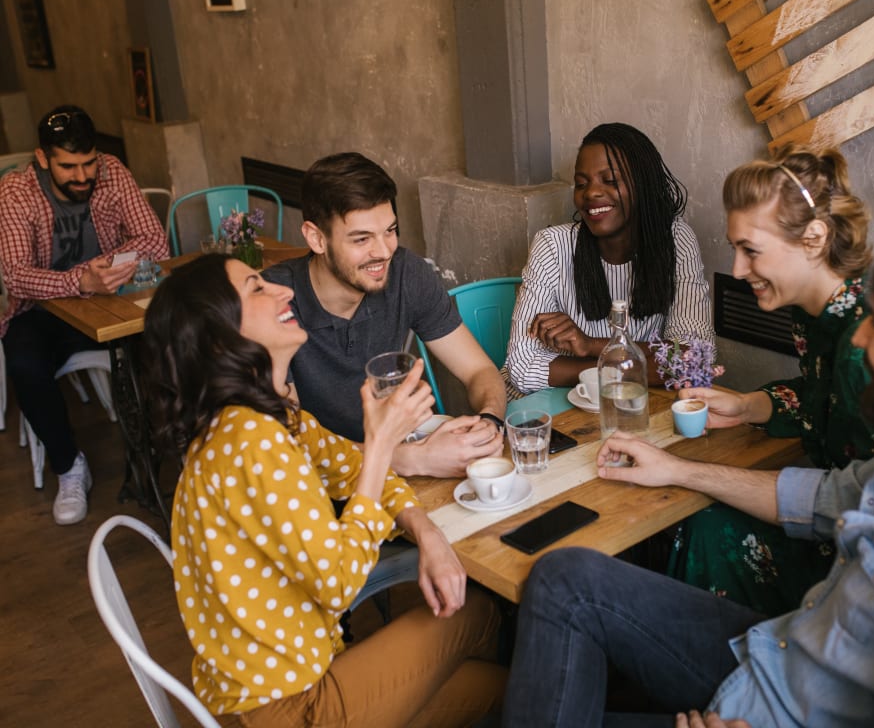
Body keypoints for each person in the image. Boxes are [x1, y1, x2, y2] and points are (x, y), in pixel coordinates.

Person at [503, 220, 874, 727]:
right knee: (564, 576)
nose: (862, 337)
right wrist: (679, 470)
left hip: (777, 709)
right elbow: (823, 497)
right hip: (775, 654)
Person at [143, 253, 507, 726]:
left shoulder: (271, 418)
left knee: (504, 690)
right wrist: (382, 441)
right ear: (219, 339)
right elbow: (338, 582)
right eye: (257, 289)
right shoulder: (249, 439)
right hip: (295, 707)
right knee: (477, 615)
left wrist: (428, 533)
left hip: (309, 675)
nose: (285, 291)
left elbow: (348, 465)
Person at [664, 145, 874, 616]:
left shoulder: (866, 344)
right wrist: (750, 405)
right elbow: (818, 396)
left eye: (750, 250)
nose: (736, 270)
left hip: (865, 567)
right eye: (735, 248)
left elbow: (872, 504)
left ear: (814, 238)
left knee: (703, 526)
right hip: (832, 512)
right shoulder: (817, 312)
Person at [262, 152, 506, 478]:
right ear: (316, 238)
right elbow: (289, 444)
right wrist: (412, 459)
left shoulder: (406, 272)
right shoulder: (275, 303)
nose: (383, 251)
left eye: (390, 231)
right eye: (362, 239)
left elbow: (478, 369)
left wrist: (489, 423)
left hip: (405, 472)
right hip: (320, 491)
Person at [0, 104, 168, 525]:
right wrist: (80, 282)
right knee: (23, 361)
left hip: (112, 301)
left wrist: (96, 276)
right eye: (69, 166)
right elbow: (17, 277)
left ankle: (173, 447)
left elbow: (155, 241)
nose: (82, 176)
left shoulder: (112, 172)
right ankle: (68, 465)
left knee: (178, 335)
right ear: (43, 159)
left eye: (88, 163)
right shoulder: (15, 191)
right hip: (43, 311)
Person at [504, 122, 713, 396]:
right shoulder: (552, 246)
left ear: (643, 185)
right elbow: (522, 368)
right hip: (546, 408)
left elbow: (694, 360)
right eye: (581, 183)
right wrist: (632, 365)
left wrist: (589, 345)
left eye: (610, 181)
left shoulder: (676, 240)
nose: (591, 193)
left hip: (626, 404)